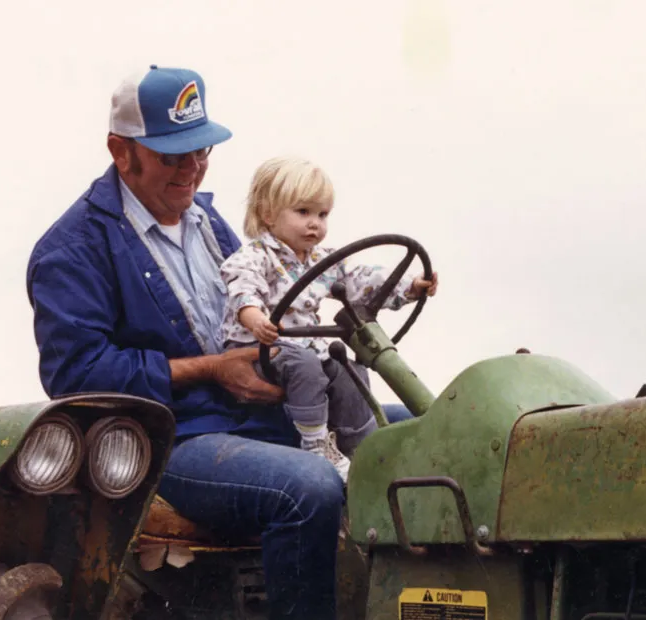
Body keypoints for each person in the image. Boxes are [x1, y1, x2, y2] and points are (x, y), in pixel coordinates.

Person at [25, 64, 415, 619]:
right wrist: (211, 370)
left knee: (420, 434)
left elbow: (270, 291)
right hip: (177, 440)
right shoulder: (74, 249)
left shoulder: (206, 221)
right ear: (121, 151)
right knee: (308, 485)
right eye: (171, 155)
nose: (192, 169)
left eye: (201, 151)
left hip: (256, 417)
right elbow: (77, 376)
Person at [219, 156, 438, 482]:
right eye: (303, 212)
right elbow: (242, 290)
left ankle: (361, 449)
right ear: (268, 214)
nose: (315, 224)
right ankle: (315, 442)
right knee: (306, 364)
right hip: (258, 348)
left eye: (322, 215)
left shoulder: (321, 260)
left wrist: (408, 287)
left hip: (301, 344)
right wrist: (256, 320)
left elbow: (362, 279)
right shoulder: (255, 256)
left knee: (348, 369)